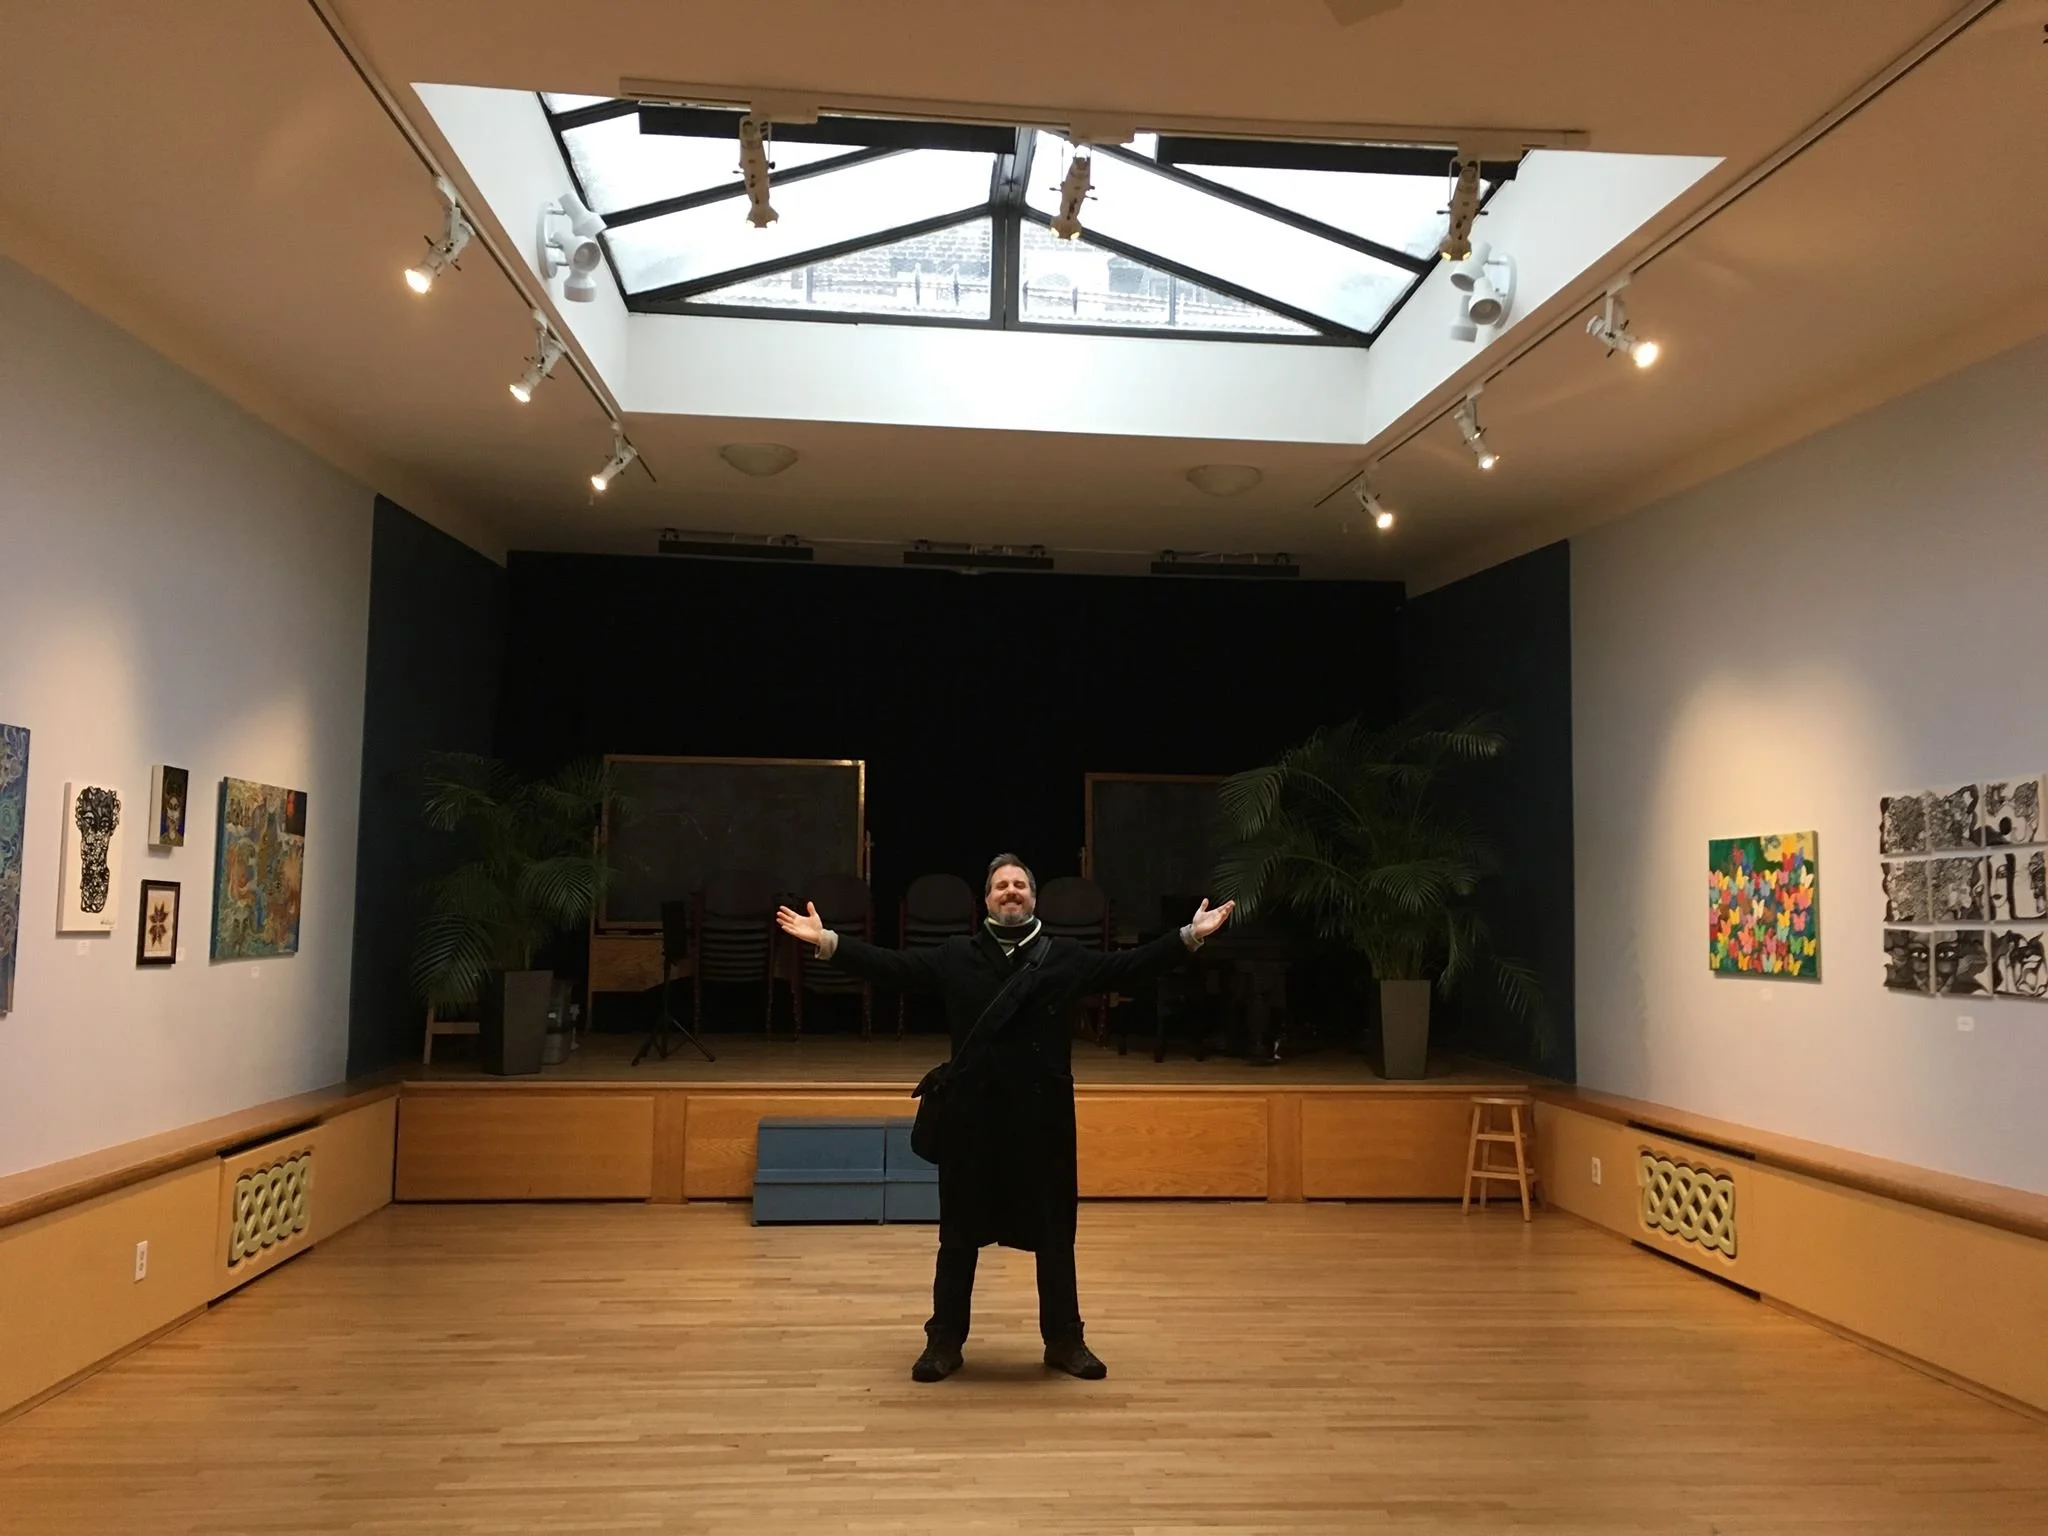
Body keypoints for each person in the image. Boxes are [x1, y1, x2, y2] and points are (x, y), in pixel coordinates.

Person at [776, 855, 1233, 1383]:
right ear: (986, 900)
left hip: (1043, 1118)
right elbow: (893, 968)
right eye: (1001, 886)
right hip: (972, 1116)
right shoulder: (956, 956)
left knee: (1055, 1232)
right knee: (958, 1234)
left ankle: (1065, 1339)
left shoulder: (1065, 957)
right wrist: (828, 941)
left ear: (1033, 898)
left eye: (1019, 885)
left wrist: (1189, 937)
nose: (1011, 891)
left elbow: (1129, 967)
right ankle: (944, 1341)